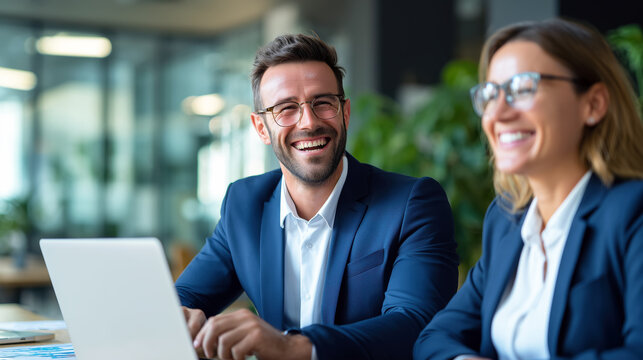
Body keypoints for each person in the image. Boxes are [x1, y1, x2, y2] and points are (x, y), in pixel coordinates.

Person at [175, 34, 459, 360]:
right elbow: (187, 293)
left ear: (345, 113)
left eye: (323, 102)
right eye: (286, 109)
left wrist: (294, 348)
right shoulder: (244, 204)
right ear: (261, 128)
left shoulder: (412, 204)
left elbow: (414, 323)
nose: (309, 122)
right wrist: (182, 313)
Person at [414, 18, 643, 360]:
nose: (499, 113)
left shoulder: (632, 212)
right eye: (490, 94)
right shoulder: (506, 220)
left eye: (523, 87)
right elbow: (435, 337)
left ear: (593, 104)